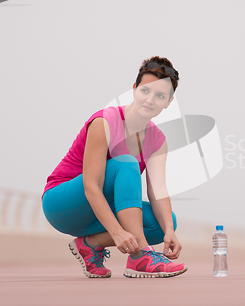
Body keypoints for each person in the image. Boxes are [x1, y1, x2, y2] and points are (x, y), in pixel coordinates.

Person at [42, 56, 187, 278]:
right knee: (126, 163)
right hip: (62, 204)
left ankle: (90, 244)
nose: (150, 100)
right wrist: (117, 232)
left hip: (97, 214)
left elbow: (158, 190)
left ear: (168, 102)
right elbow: (92, 186)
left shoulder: (157, 140)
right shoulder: (105, 122)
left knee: (166, 222)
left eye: (160, 96)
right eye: (145, 91)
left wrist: (169, 231)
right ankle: (140, 258)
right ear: (134, 89)